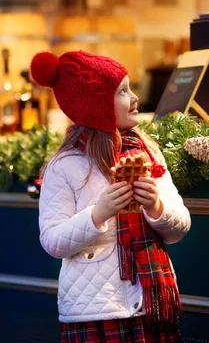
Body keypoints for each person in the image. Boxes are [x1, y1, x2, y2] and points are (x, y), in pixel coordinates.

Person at [30, 51, 191, 343]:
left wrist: (156, 207)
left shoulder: (148, 153)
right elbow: (52, 241)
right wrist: (97, 214)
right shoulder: (64, 165)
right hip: (95, 313)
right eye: (122, 91)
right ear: (96, 102)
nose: (134, 98)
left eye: (131, 89)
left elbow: (180, 227)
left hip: (151, 307)